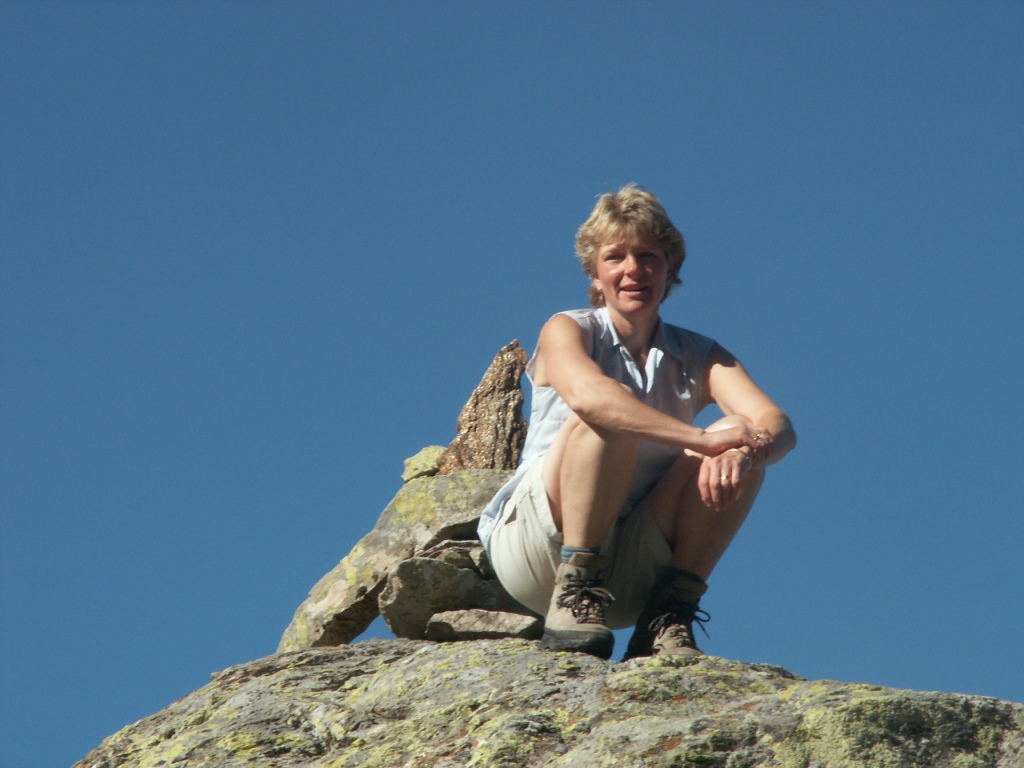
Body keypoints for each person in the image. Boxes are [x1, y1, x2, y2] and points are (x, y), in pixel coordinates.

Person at [477, 184, 796, 661]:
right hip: (538, 551)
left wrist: (743, 452)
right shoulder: (569, 328)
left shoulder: (699, 355)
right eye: (615, 257)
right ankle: (575, 586)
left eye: (647, 255)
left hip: (630, 572)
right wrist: (700, 439)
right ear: (594, 272)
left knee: (740, 444)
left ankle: (668, 614)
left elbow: (778, 424)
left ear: (672, 268)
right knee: (612, 414)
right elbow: (590, 399)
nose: (633, 269)